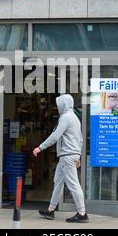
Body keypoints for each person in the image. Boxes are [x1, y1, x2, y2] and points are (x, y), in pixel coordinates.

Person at [33, 94, 89, 223]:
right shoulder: (75, 117)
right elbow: (80, 139)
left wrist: (40, 148)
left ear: (63, 105)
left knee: (73, 184)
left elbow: (55, 136)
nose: (58, 107)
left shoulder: (65, 118)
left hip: (67, 155)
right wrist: (78, 156)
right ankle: (51, 210)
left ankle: (82, 213)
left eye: (59, 105)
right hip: (70, 155)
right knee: (58, 182)